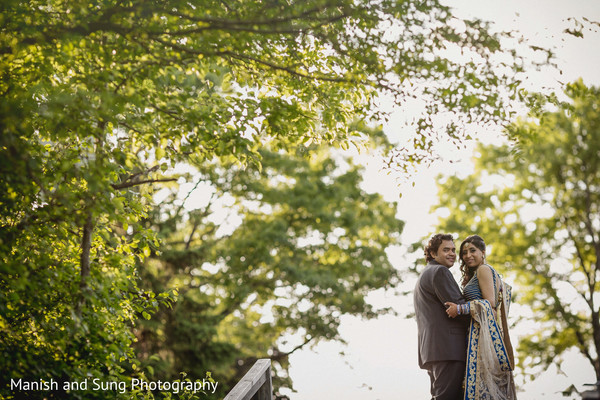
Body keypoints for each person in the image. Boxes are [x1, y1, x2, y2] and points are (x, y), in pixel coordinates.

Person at [445, 235, 517, 400]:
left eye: (472, 250)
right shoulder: (482, 273)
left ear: (483, 252)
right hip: (484, 335)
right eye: (464, 252)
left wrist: (460, 309)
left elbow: (490, 305)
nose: (468, 255)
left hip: (483, 339)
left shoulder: (484, 270)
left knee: (483, 388)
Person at [414, 233, 470, 400]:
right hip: (449, 349)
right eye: (446, 250)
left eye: (453, 249)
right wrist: (481, 309)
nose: (452, 253)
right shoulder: (440, 272)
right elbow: (457, 306)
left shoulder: (426, 273)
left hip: (435, 351)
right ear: (432, 253)